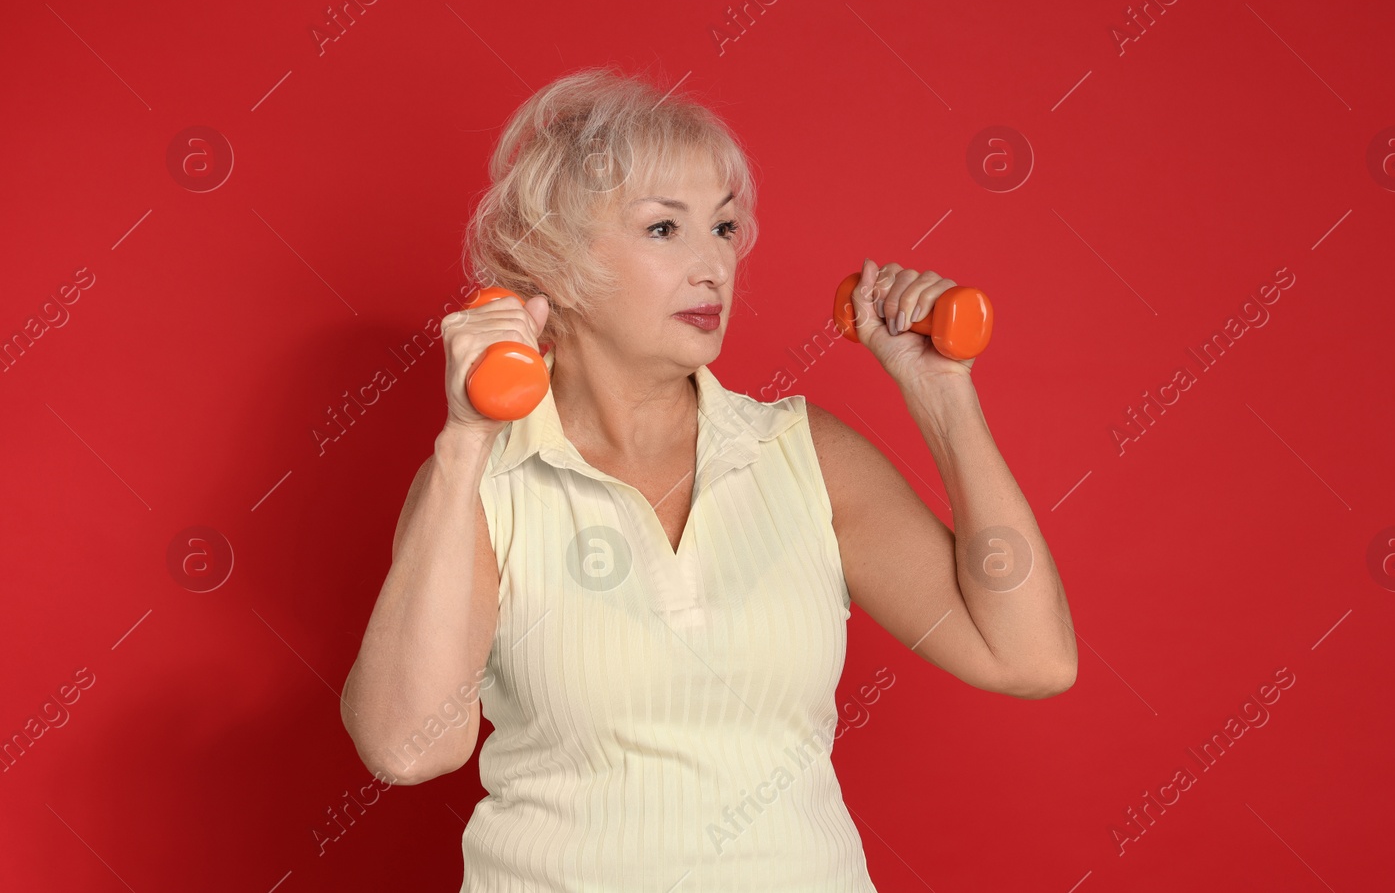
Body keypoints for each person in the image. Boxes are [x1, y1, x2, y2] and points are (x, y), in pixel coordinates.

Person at [340, 67, 1078, 891]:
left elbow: (1030, 656)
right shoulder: (483, 478)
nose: (714, 266)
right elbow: (408, 746)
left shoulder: (803, 454)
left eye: (724, 228)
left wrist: (943, 396)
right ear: (554, 261)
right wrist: (464, 440)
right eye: (665, 230)